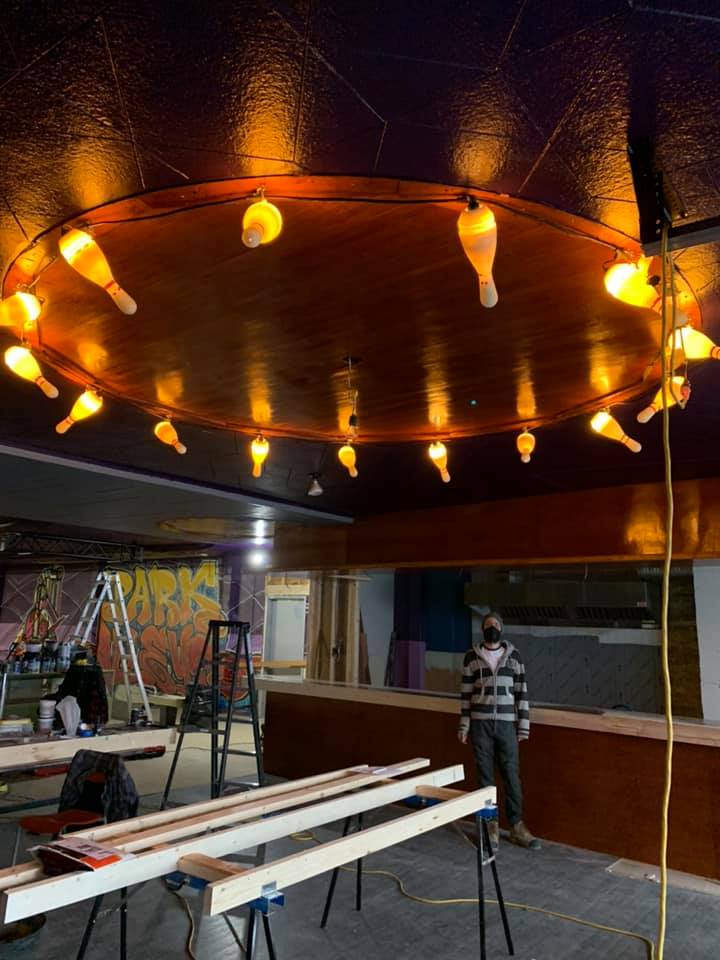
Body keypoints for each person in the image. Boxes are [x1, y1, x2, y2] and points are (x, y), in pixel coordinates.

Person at [458, 611, 540, 850]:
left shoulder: (514, 657)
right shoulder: (471, 658)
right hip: (480, 724)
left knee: (511, 776)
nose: (491, 628)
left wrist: (523, 726)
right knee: (485, 778)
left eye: (495, 624)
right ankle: (489, 828)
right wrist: (464, 725)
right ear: (482, 629)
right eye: (487, 625)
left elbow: (522, 694)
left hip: (506, 725)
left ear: (501, 629)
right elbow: (464, 696)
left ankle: (516, 826)